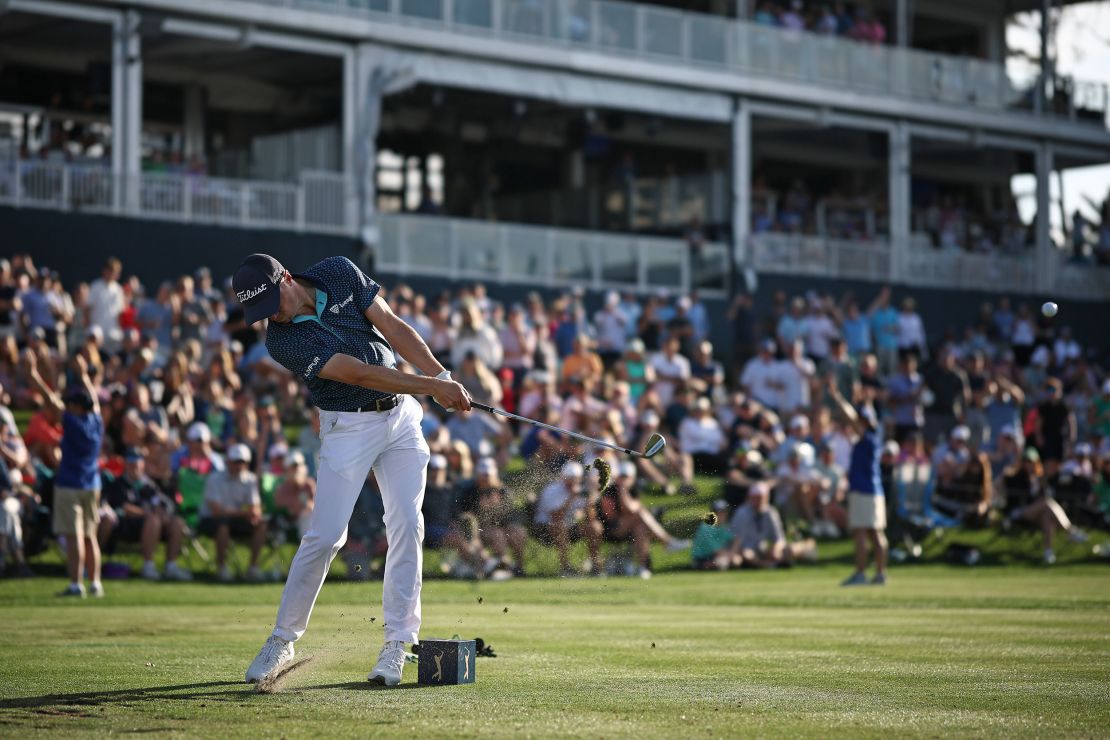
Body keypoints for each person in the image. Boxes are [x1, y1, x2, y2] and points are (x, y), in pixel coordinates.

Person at [232, 253, 471, 687]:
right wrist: (432, 387)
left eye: (273, 303)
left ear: (287, 277)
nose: (273, 316)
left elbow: (392, 326)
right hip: (347, 427)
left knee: (406, 524)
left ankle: (398, 643)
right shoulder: (280, 342)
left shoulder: (339, 272)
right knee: (325, 536)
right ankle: (283, 638)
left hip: (400, 421)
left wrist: (442, 376)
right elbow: (359, 374)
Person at [27, 353, 105, 597]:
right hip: (92, 484)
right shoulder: (96, 422)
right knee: (91, 536)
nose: (67, 406)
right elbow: (95, 402)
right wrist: (84, 376)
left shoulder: (73, 422)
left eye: (71, 404)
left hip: (70, 484)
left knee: (74, 537)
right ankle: (95, 583)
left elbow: (52, 401)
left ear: (76, 408)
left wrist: (34, 375)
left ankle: (76, 584)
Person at [827, 382, 887, 586]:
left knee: (861, 531)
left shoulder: (867, 437)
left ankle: (861, 574)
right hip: (875, 490)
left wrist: (837, 396)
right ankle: (880, 574)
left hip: (863, 489)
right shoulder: (874, 437)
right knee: (875, 532)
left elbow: (851, 416)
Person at [100, 448, 192, 581]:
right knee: (153, 520)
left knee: (177, 522)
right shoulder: (118, 484)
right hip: (126, 526)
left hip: (153, 525)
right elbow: (124, 508)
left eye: (137, 462)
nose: (135, 465)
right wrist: (148, 514)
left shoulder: (149, 484)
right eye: (131, 462)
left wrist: (163, 513)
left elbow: (162, 503)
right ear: (125, 464)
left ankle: (171, 566)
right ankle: (148, 565)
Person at [200, 443, 268, 582]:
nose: (238, 465)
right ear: (228, 461)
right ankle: (221, 568)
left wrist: (253, 515)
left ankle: (253, 568)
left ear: (247, 463)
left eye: (241, 462)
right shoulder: (215, 479)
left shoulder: (250, 480)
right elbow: (217, 511)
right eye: (235, 462)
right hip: (210, 520)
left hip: (233, 519)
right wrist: (246, 513)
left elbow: (254, 508)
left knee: (261, 525)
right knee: (223, 526)